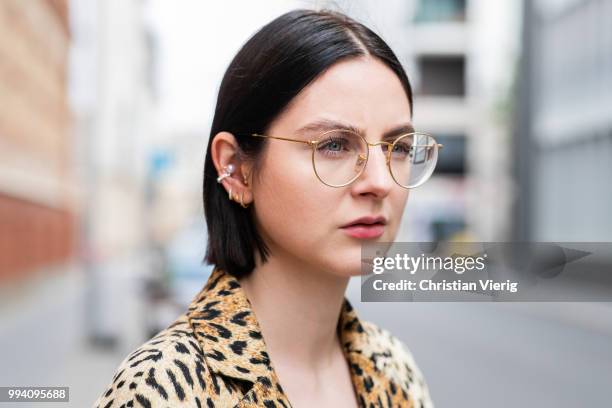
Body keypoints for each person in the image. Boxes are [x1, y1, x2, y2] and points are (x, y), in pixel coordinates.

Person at [94, 8, 439, 408]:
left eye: (399, 148)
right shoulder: (166, 385)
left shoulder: (394, 368)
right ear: (236, 169)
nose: (379, 182)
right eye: (333, 145)